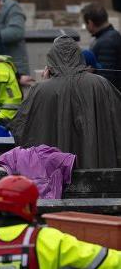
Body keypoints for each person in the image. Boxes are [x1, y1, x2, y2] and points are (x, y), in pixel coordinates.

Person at [9, 35, 121, 169]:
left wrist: (44, 85)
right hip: (100, 175)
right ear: (80, 57)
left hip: (55, 177)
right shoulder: (100, 84)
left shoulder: (40, 90)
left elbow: (20, 128)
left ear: (50, 61)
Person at [81, 2, 121, 90]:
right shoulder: (111, 36)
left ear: (90, 23)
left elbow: (107, 80)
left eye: (85, 23)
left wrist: (89, 73)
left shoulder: (106, 41)